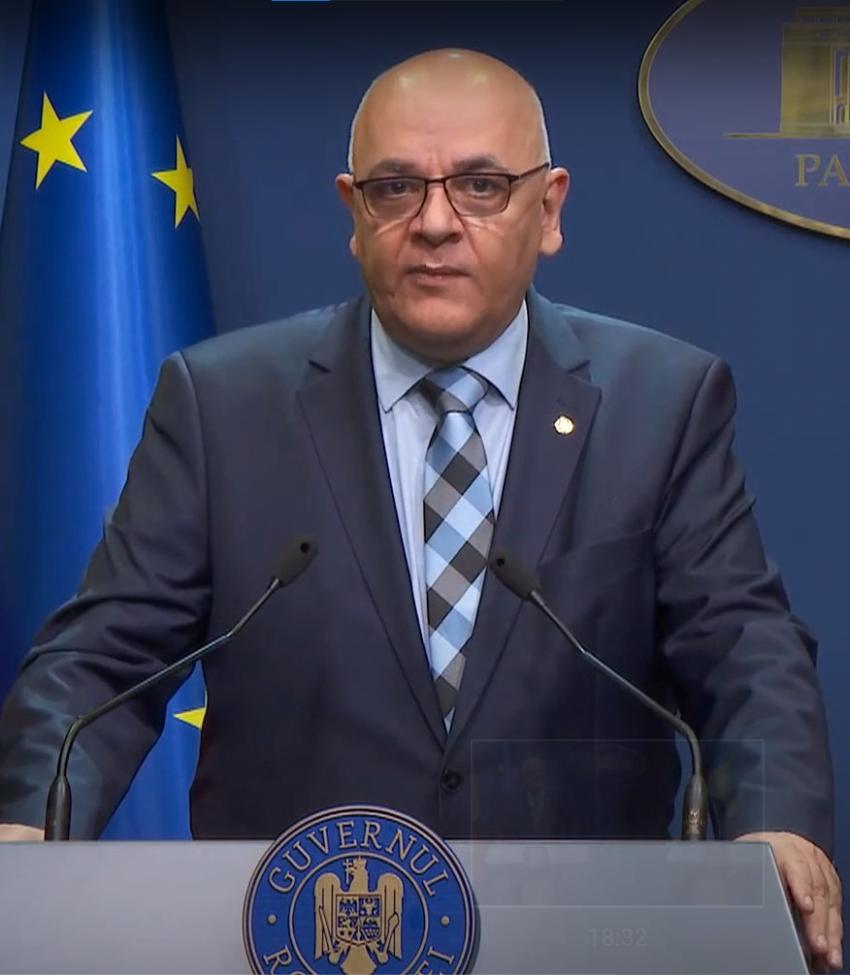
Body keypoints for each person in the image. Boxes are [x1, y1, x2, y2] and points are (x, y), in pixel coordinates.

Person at [0, 48, 842, 970]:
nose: (436, 223)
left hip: (579, 940)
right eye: (396, 188)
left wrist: (777, 822)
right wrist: (28, 821)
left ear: (549, 209)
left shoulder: (662, 402)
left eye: (481, 185)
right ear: (352, 213)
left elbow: (742, 644)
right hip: (294, 940)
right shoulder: (223, 405)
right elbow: (102, 655)